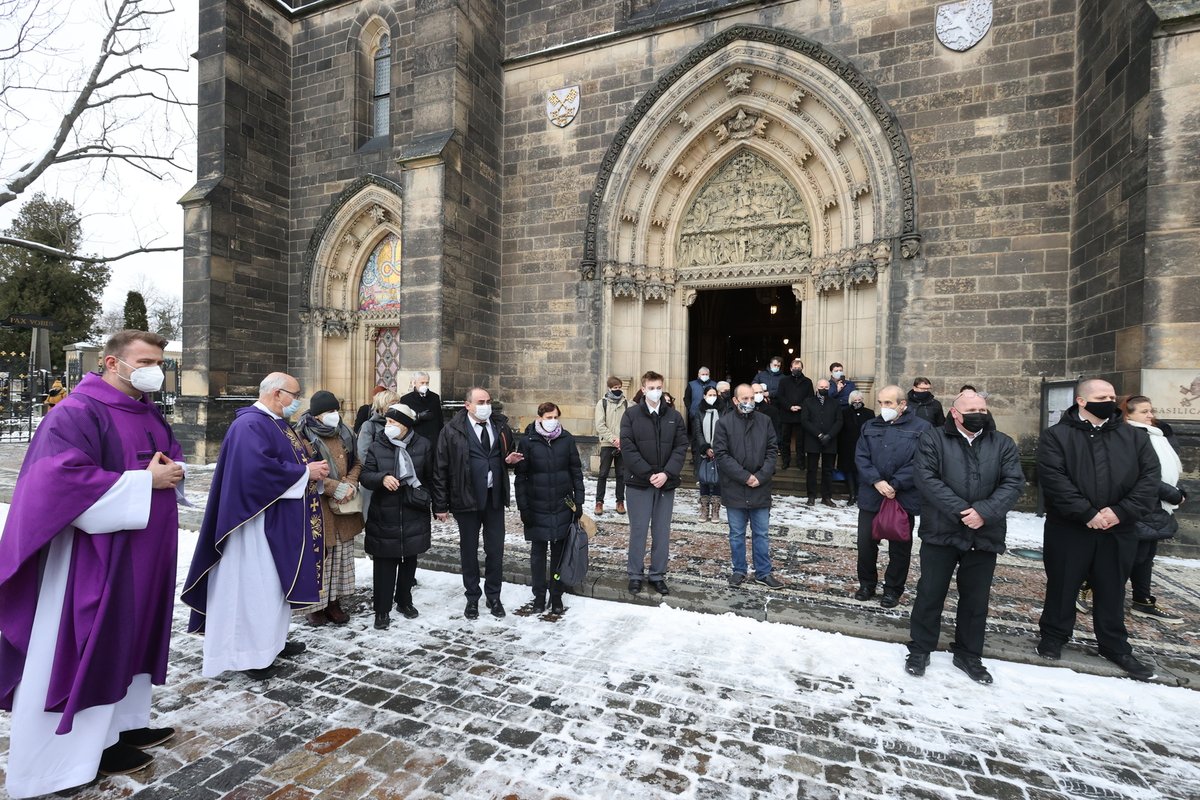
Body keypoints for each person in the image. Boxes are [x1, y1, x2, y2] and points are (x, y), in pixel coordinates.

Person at [0, 331, 185, 796]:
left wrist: (169, 471)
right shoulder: (75, 412)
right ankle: (55, 766)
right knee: (83, 646)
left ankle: (118, 730)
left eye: (159, 361)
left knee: (131, 640)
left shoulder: (147, 410)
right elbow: (58, 482)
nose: (154, 370)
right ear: (110, 363)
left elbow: (165, 459)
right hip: (92, 558)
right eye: (145, 361)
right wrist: (144, 483)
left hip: (144, 554)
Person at [182, 373, 328, 680]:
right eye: (295, 395)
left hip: (277, 520)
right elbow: (256, 472)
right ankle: (249, 654)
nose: (298, 401)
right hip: (254, 524)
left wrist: (309, 470)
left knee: (272, 586)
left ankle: (270, 643)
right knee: (255, 588)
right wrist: (305, 471)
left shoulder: (275, 422)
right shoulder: (249, 425)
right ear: (277, 394)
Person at [1035, 378, 1160, 681]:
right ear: (1081, 401)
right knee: (1063, 583)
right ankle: (1054, 635)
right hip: (1070, 527)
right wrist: (1086, 512)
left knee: (1112, 587)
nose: (1108, 400)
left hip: (1119, 528)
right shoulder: (1057, 436)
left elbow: (1149, 478)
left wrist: (1119, 512)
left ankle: (1114, 644)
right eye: (1101, 396)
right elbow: (1054, 479)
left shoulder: (1135, 437)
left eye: (1112, 396)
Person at [904, 391, 1025, 684]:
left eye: (983, 408)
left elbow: (1013, 482)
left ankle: (969, 653)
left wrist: (983, 512)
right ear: (955, 413)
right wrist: (962, 511)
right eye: (972, 408)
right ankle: (921, 647)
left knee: (975, 598)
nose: (980, 413)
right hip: (941, 529)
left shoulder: (1003, 443)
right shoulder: (933, 439)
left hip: (985, 532)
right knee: (930, 592)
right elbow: (926, 478)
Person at [432, 387, 523, 619]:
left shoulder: (500, 425)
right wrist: (440, 505)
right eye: (480, 401)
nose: (486, 405)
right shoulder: (452, 431)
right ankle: (472, 597)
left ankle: (494, 595)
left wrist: (509, 460)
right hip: (466, 499)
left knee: (495, 550)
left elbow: (506, 452)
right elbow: (440, 468)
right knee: (469, 551)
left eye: (488, 401)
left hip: (494, 499)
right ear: (468, 405)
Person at [854, 384, 930, 607]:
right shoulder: (869, 425)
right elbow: (861, 456)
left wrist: (895, 484)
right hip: (872, 495)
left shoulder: (922, 428)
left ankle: (892, 590)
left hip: (901, 497)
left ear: (902, 405)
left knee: (899, 548)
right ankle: (867, 584)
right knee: (865, 544)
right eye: (880, 403)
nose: (883, 407)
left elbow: (920, 462)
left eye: (888, 403)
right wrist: (877, 480)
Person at [360, 404, 434, 629]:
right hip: (385, 512)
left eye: (393, 422)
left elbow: (432, 476)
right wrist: (381, 478)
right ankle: (382, 610)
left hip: (413, 511)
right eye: (387, 422)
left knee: (409, 560)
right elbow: (365, 475)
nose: (388, 426)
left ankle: (404, 600)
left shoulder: (423, 445)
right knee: (384, 564)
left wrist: (429, 498)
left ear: (405, 425)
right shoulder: (377, 446)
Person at [294, 391, 363, 627]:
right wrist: (334, 487)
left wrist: (351, 483)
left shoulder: (346, 432)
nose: (335, 415)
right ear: (317, 415)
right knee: (320, 557)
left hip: (344, 507)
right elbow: (303, 468)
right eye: (329, 412)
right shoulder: (303, 435)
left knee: (341, 557)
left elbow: (357, 461)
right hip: (318, 504)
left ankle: (334, 603)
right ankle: (316, 607)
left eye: (336, 410)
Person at [621, 370, 690, 595]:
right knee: (639, 530)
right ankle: (635, 574)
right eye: (651, 388)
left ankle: (658, 574)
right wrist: (648, 473)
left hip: (665, 483)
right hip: (639, 482)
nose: (656, 391)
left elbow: (681, 447)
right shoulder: (631, 415)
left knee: (662, 531)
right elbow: (628, 448)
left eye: (659, 387)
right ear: (643, 389)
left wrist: (667, 473)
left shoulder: (674, 416)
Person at [515, 402, 586, 614]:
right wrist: (523, 508)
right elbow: (521, 477)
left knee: (559, 554)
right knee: (538, 555)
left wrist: (579, 501)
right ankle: (539, 595)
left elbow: (576, 472)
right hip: (536, 506)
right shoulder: (528, 442)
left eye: (554, 416)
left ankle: (556, 594)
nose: (551, 420)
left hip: (562, 505)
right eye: (547, 417)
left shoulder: (567, 439)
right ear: (539, 418)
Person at [1122, 396, 1185, 624]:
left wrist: (1179, 490)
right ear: (1128, 415)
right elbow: (1142, 474)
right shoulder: (1132, 437)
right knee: (1129, 557)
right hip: (1140, 504)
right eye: (1144, 412)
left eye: (1151, 410)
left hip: (1158, 507)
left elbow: (1171, 470)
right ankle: (1092, 588)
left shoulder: (1158, 436)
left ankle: (1142, 600)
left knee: (1146, 556)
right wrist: (1173, 494)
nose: (1150, 416)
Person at [714, 383, 783, 589]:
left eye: (752, 398)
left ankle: (763, 572)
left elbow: (772, 451)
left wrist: (760, 477)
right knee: (736, 534)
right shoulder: (724, 423)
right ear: (735, 400)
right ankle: (739, 570)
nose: (749, 402)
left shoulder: (765, 421)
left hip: (760, 487)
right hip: (735, 487)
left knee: (761, 534)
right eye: (745, 399)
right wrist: (745, 477)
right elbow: (721, 455)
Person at [800, 379, 843, 507]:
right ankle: (811, 496)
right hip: (813, 440)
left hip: (830, 440)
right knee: (812, 470)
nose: (823, 388)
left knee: (828, 470)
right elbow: (805, 420)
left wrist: (829, 435)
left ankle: (826, 496)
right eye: (821, 386)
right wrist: (818, 434)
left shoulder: (835, 403)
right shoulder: (808, 402)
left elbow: (839, 421)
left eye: (826, 387)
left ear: (829, 388)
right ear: (817, 387)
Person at [593, 376, 629, 516]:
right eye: (615, 388)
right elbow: (600, 425)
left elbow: (628, 424)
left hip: (622, 445)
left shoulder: (626, 403)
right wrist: (614, 439)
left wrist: (623, 440)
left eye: (619, 387)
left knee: (621, 474)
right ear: (609, 388)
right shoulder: (602, 403)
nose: (618, 390)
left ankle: (620, 501)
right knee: (603, 473)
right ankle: (599, 502)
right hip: (607, 444)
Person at [691, 385, 725, 523]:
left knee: (717, 479)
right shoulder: (699, 411)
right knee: (704, 479)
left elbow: (725, 430)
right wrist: (705, 448)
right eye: (709, 395)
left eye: (714, 394)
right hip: (703, 451)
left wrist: (717, 448)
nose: (712, 397)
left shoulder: (723, 410)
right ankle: (704, 509)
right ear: (704, 396)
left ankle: (715, 510)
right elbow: (698, 432)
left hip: (719, 449)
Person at [776, 357, 814, 470]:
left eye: (799, 367)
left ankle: (801, 462)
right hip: (786, 414)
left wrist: (801, 406)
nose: (796, 369)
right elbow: (780, 396)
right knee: (785, 440)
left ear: (802, 368)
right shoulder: (784, 381)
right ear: (791, 368)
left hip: (801, 415)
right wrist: (789, 407)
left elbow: (810, 397)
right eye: (795, 367)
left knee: (800, 441)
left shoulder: (807, 381)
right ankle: (785, 461)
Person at [838, 390, 874, 504]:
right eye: (855, 400)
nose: (857, 402)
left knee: (861, 471)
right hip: (847, 447)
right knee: (849, 471)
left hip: (863, 447)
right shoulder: (844, 412)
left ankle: (860, 495)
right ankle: (852, 495)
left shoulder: (869, 413)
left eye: (859, 400)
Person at [399, 371, 444, 444]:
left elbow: (440, 419)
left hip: (433, 439)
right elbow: (404, 421)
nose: (425, 385)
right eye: (422, 383)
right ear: (414, 383)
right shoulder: (406, 399)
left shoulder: (435, 397)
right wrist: (419, 417)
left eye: (427, 383)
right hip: (416, 439)